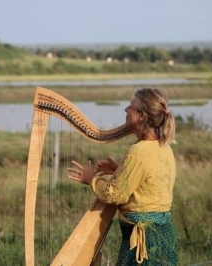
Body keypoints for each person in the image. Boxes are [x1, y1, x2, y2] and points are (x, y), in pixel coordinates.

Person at [67, 88, 179, 265]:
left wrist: (91, 180)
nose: (126, 110)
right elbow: (150, 182)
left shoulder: (138, 151)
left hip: (144, 243)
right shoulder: (164, 147)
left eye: (131, 107)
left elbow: (114, 195)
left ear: (142, 116)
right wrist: (121, 170)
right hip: (163, 235)